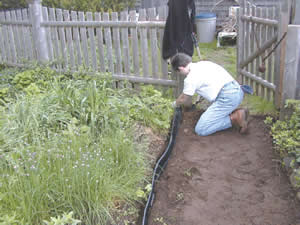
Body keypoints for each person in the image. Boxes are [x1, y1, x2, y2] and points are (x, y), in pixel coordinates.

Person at [171, 52, 249, 136]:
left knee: (201, 129)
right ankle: (229, 111)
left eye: (179, 72)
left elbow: (183, 98)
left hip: (227, 98)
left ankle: (234, 117)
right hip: (236, 91)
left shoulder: (190, 79)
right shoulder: (204, 63)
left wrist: (173, 104)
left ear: (181, 68)